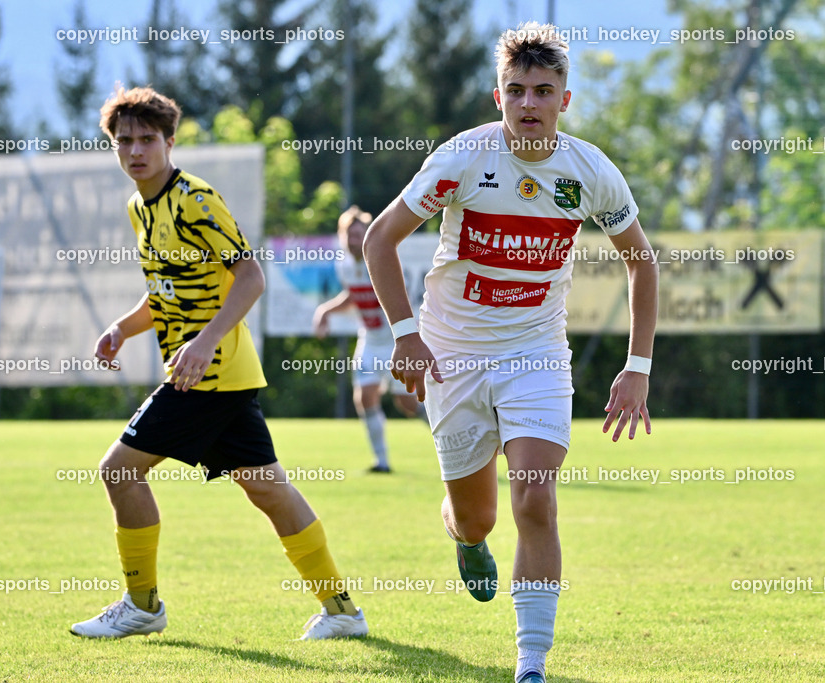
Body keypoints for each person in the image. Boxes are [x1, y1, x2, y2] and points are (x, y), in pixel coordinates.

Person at [363, 22, 658, 683]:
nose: (529, 104)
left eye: (543, 91)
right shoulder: (462, 159)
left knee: (534, 499)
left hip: (537, 354)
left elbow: (642, 262)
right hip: (453, 355)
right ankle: (466, 542)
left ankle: (531, 662)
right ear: (498, 98)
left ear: (565, 100)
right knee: (478, 516)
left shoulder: (589, 172)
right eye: (516, 90)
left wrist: (637, 368)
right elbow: (379, 239)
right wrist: (407, 335)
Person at [70, 86, 367, 641]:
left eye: (147, 139)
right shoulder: (139, 208)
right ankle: (343, 612)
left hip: (206, 376)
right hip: (218, 377)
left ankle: (142, 605)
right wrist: (120, 328)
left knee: (119, 470)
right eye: (124, 141)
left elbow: (250, 276)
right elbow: (164, 294)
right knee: (269, 489)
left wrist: (205, 341)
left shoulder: (196, 199)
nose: (136, 151)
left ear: (170, 141)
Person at [313, 205, 424, 473]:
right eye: (350, 235)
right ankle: (382, 462)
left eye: (360, 235)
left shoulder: (381, 258)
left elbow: (397, 295)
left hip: (396, 340)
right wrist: (325, 310)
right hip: (370, 341)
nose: (354, 241)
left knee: (408, 403)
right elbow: (354, 295)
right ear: (342, 237)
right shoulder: (344, 265)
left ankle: (447, 434)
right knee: (364, 397)